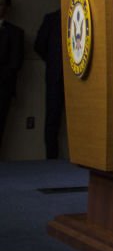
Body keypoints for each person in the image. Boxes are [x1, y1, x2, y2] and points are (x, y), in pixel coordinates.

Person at [34, 9, 63, 159]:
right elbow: (39, 45)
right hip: (56, 75)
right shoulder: (52, 18)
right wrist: (54, 63)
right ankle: (51, 159)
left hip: (83, 76)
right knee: (52, 117)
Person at [0, 0, 25, 152]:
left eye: (1, 4)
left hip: (3, 87)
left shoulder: (15, 32)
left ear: (7, 8)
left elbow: (15, 62)